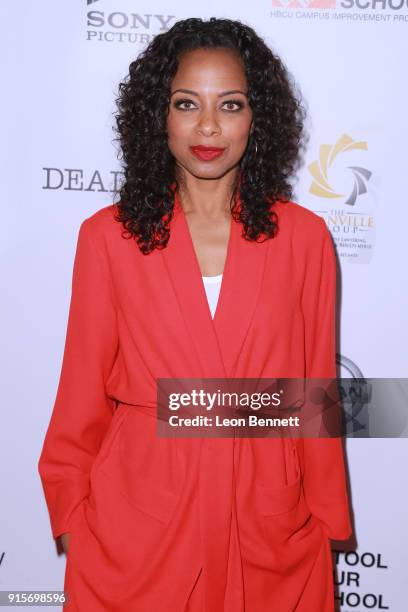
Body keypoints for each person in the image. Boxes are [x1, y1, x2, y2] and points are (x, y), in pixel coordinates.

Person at [38, 17, 352, 612]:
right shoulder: (108, 237)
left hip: (266, 522)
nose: (208, 126)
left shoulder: (305, 238)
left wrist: (324, 520)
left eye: (230, 105)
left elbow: (314, 399)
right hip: (138, 528)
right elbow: (79, 399)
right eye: (188, 103)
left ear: (258, 118)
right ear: (159, 114)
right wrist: (76, 520)